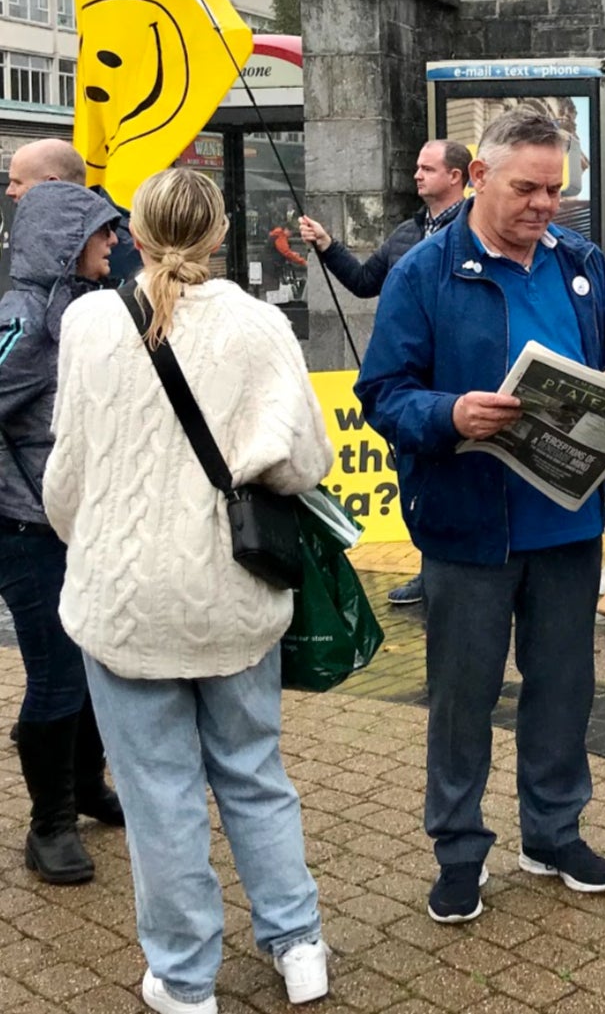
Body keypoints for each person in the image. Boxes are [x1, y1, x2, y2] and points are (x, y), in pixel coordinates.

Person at [44, 168, 334, 1013]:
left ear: (134, 233)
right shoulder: (259, 323)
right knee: (253, 769)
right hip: (234, 591)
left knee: (158, 793)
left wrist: (94, 537)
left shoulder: (90, 321)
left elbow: (69, 469)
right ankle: (298, 940)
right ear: (222, 230)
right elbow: (304, 460)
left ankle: (184, 975)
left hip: (124, 596)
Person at [355, 110, 605, 923]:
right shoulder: (424, 271)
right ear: (479, 178)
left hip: (566, 520)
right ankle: (458, 849)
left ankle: (552, 831)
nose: (545, 204)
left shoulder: (580, 261)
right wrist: (451, 415)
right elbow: (382, 393)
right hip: (468, 524)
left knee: (563, 688)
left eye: (557, 188)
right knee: (463, 696)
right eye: (527, 187)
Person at [0, 182, 124, 886]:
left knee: (95, 658)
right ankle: (49, 823)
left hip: (83, 522)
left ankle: (87, 783)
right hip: (27, 528)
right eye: (101, 231)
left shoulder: (86, 307)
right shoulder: (23, 315)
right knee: (56, 673)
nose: (113, 242)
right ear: (64, 240)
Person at [299, 139, 471, 607]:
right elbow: (362, 282)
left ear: (456, 176)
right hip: (411, 379)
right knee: (415, 476)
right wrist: (328, 246)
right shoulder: (403, 234)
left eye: (427, 168)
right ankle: (428, 567)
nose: (416, 175)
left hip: (456, 377)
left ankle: (460, 571)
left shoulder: (477, 231)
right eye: (416, 166)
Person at [6, 138, 139, 281]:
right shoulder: (38, 231)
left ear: (53, 185)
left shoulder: (126, 252)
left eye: (17, 183)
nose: (9, 191)